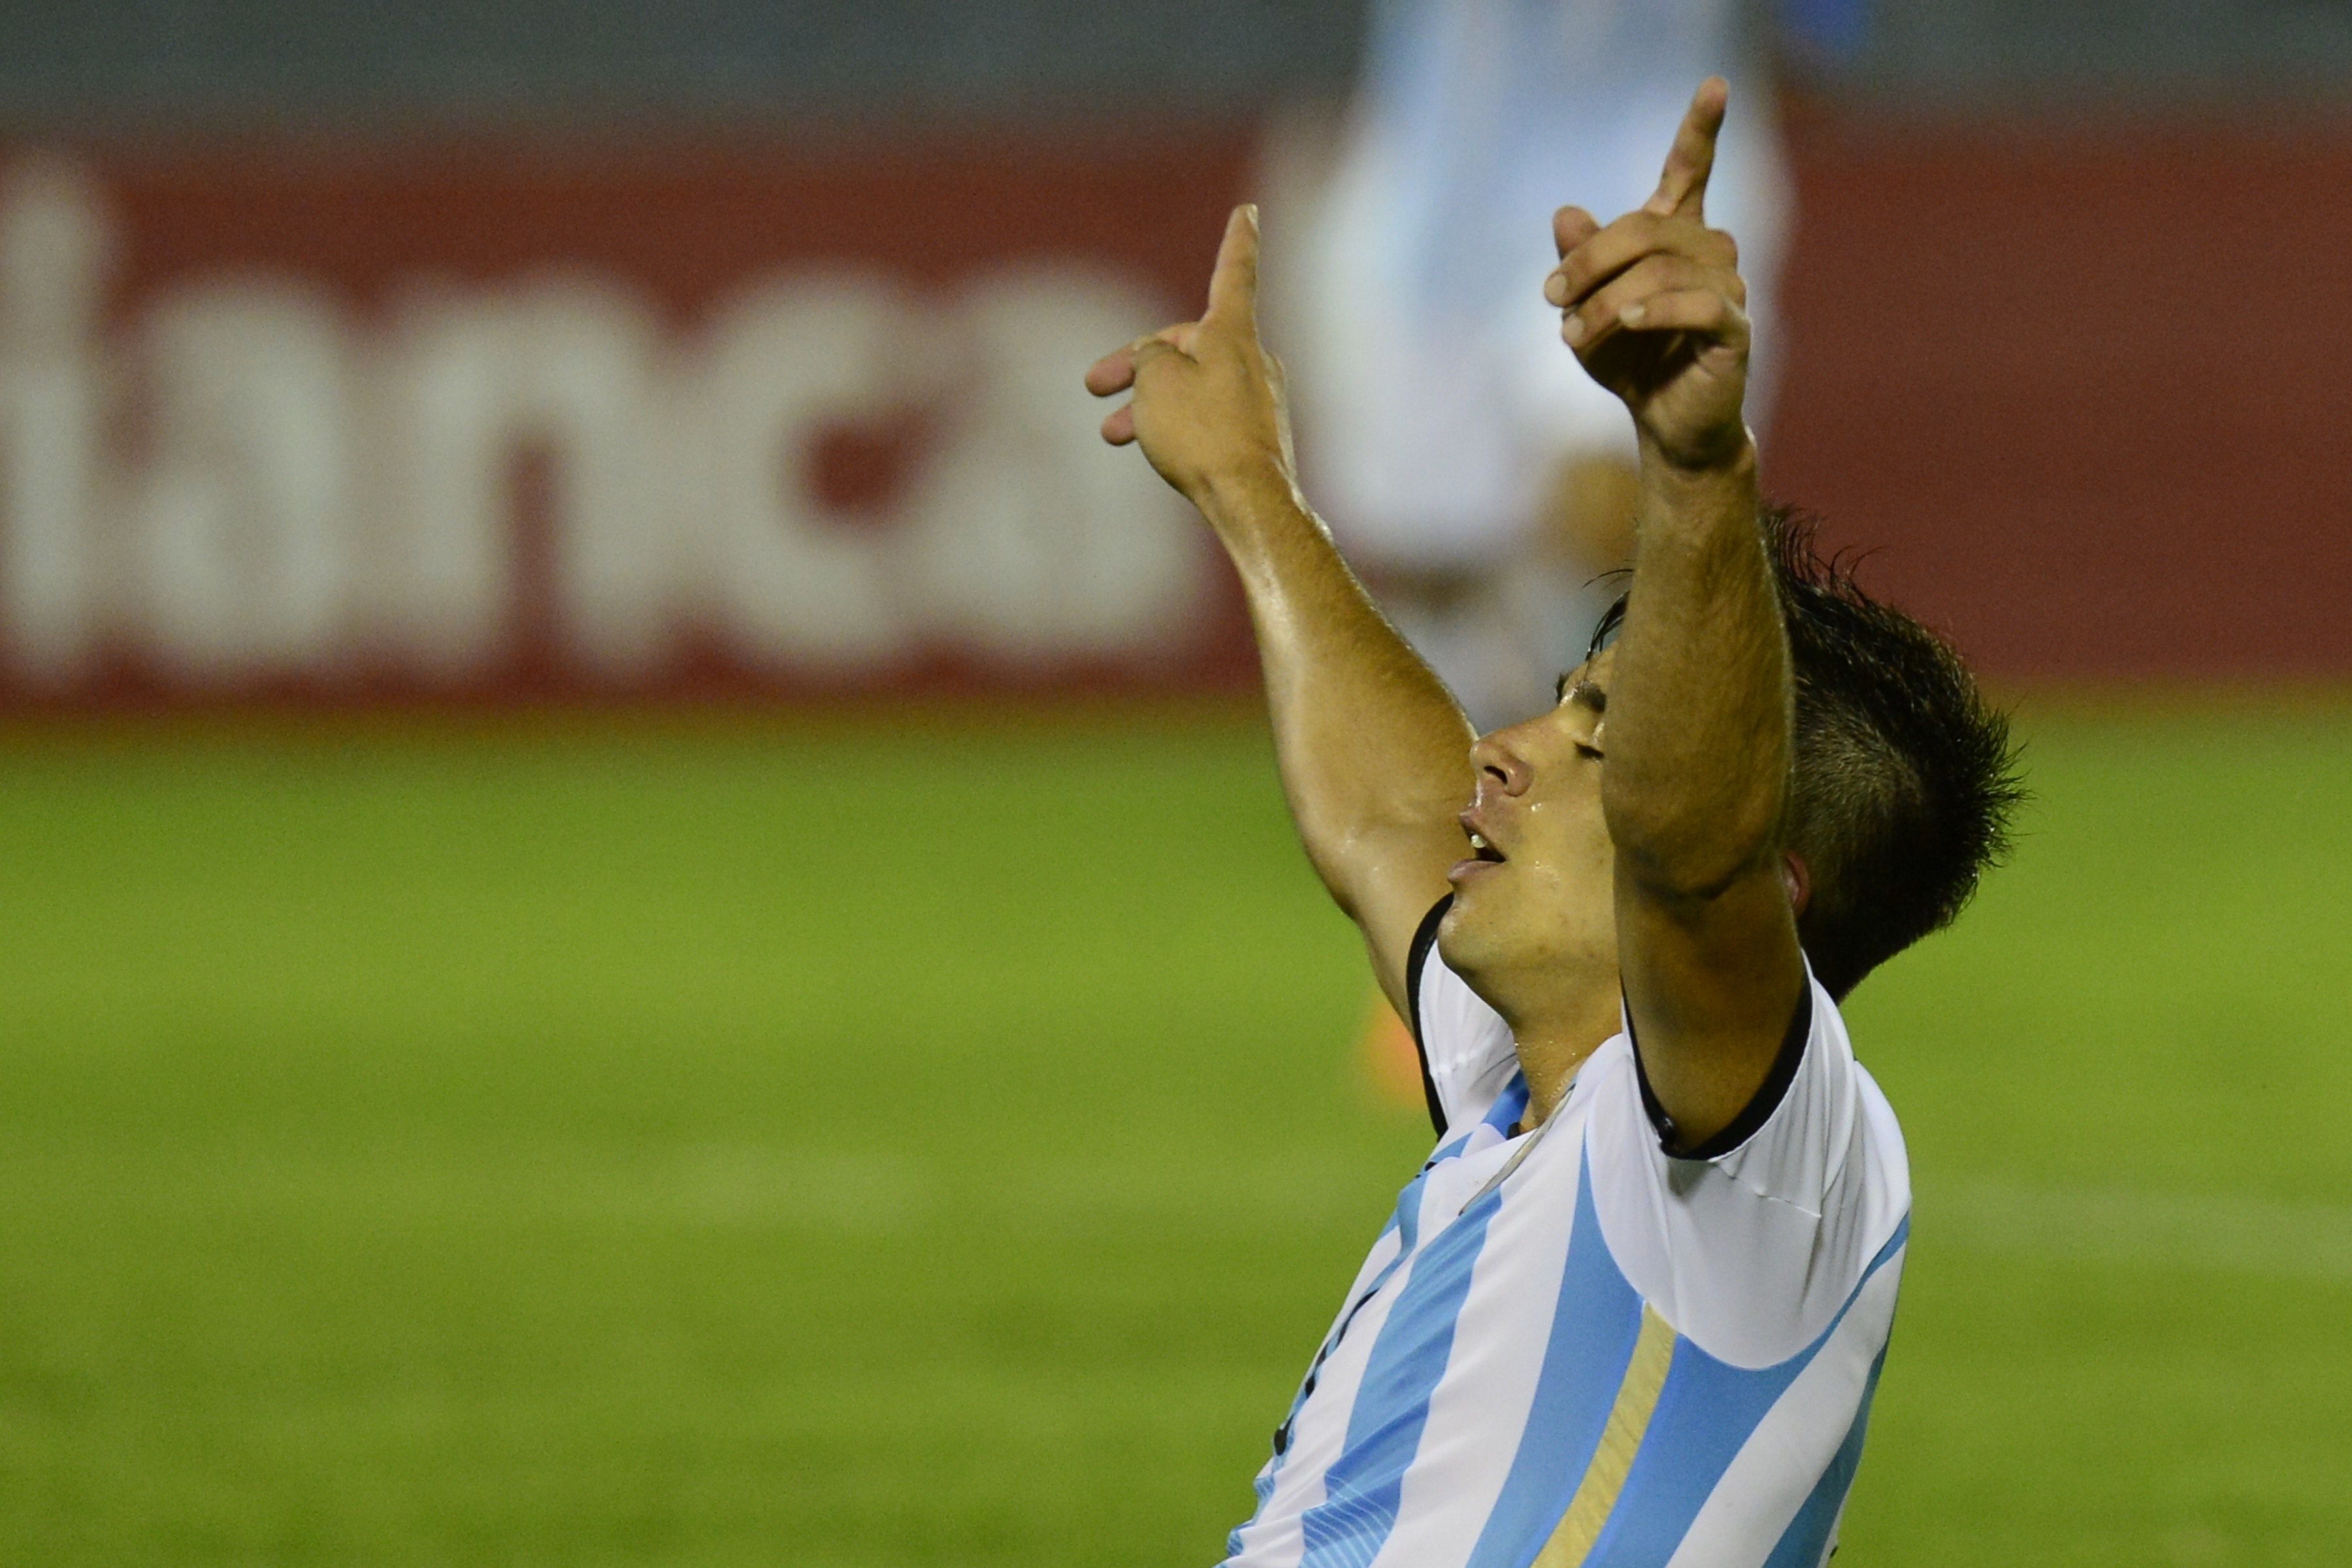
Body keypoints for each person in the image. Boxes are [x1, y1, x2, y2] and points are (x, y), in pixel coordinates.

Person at [1085, 79, 2021, 1565]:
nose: (1505, 748)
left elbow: (1693, 849)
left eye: (1596, 734)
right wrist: (1252, 486)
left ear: (1764, 887)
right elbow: (1396, 809)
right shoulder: (1541, 1082)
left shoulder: (1756, 1174)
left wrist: (1696, 464)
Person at [1279, 0, 1791, 730]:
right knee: (1431, 542)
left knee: (1619, 469)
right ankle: (1476, 741)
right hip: (1434, 195)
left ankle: (1604, 733)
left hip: (1646, 163)